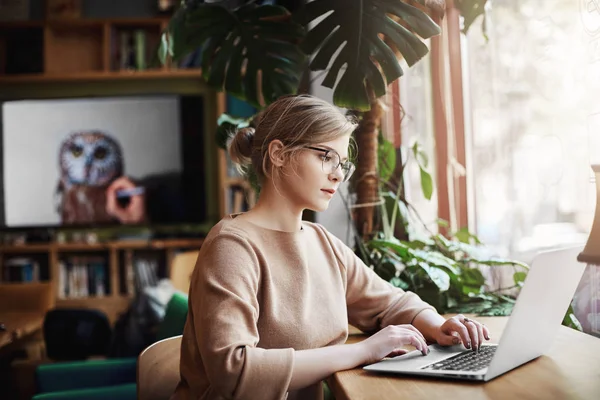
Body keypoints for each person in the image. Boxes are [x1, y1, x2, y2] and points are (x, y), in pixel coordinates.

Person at [171, 95, 491, 400]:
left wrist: (439, 326)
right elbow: (235, 371)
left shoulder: (320, 241)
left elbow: (388, 303)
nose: (338, 175)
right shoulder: (231, 245)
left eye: (344, 164)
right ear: (278, 154)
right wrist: (363, 351)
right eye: (326, 156)